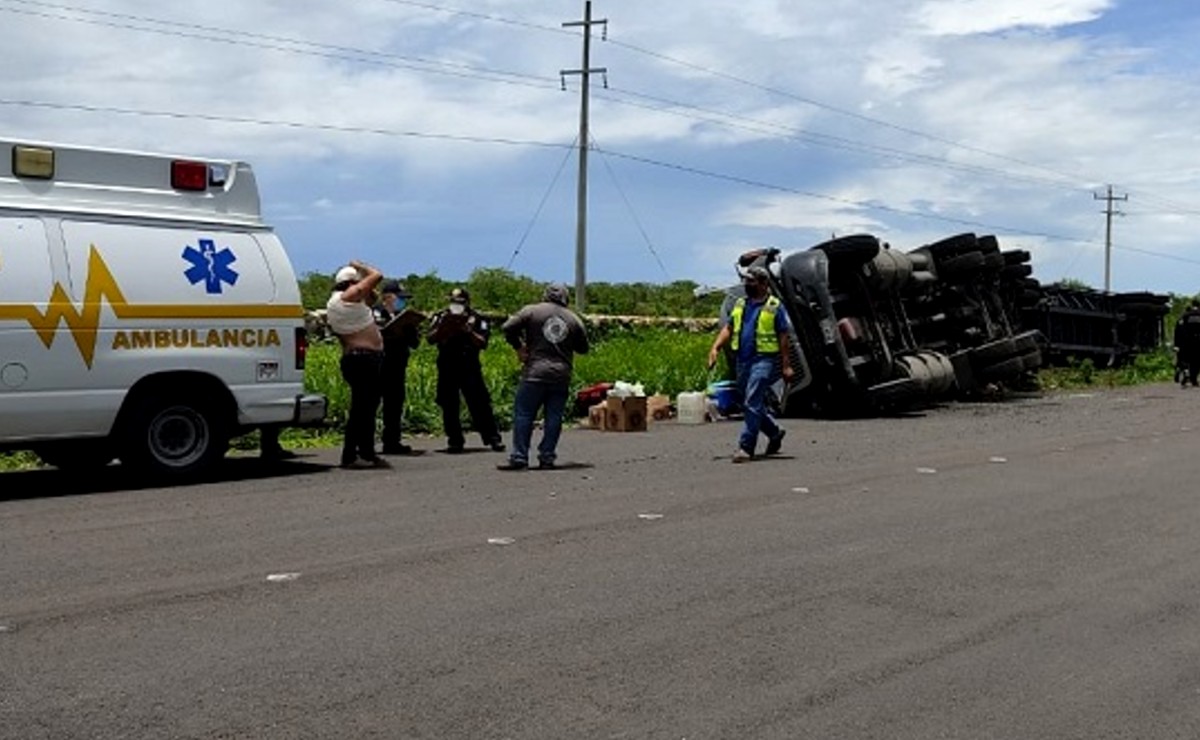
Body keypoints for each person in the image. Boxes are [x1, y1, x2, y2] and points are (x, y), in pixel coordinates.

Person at [497, 283, 590, 471]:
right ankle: (547, 457)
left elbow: (508, 327)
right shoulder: (574, 319)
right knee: (554, 417)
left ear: (545, 295)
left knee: (524, 414)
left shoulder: (531, 311)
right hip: (561, 375)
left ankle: (519, 456)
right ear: (566, 298)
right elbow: (583, 348)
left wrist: (519, 346)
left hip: (535, 373)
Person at [707, 265, 795, 463]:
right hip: (743, 360)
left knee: (753, 400)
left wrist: (786, 365)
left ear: (764, 284)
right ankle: (774, 432)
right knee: (747, 402)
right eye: (746, 280)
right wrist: (715, 348)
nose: (747, 284)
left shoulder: (774, 306)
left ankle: (746, 447)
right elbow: (728, 328)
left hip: (764, 360)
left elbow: (783, 337)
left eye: (751, 281)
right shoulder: (740, 304)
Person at [426, 287, 505, 454]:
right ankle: (454, 440)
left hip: (469, 364)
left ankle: (493, 438)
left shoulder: (477, 318)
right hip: (447, 364)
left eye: (460, 302)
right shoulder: (440, 316)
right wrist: (443, 330)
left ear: (467, 302)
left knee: (480, 402)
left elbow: (483, 342)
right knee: (449, 404)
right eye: (454, 302)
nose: (457, 305)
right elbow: (430, 338)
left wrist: (468, 332)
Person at [327, 261, 390, 469]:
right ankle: (353, 454)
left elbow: (373, 297)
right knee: (362, 410)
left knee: (365, 408)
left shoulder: (339, 302)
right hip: (363, 359)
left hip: (358, 359)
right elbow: (377, 275)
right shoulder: (347, 298)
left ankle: (365, 452)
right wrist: (360, 266)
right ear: (351, 283)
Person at [374, 280, 422, 454]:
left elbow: (415, 343)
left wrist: (409, 331)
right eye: (399, 298)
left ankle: (392, 441)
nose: (402, 302)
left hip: (397, 366)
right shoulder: (375, 313)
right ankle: (364, 444)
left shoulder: (404, 316)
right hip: (379, 366)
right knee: (371, 405)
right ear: (387, 297)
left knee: (394, 406)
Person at [1173, 298, 1200, 388]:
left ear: (1192, 305)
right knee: (1196, 361)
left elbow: (1178, 330)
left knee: (1185, 359)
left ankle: (1186, 373)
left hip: (1186, 342)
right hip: (1198, 342)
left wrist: (1177, 344)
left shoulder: (1184, 316)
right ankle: (1194, 379)